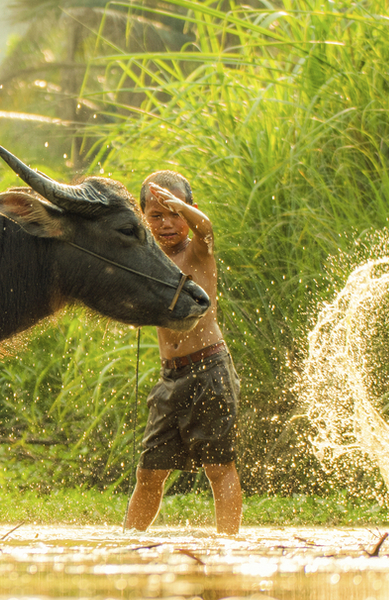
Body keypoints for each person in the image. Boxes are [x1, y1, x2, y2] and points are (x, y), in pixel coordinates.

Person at [122, 172, 244, 534]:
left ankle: (229, 547)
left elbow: (205, 229)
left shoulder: (197, 250)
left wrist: (183, 209)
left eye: (174, 213)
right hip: (171, 378)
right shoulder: (147, 260)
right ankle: (130, 544)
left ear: (188, 211)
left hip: (211, 371)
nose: (166, 223)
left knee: (219, 468)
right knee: (149, 473)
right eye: (156, 215)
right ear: (143, 217)